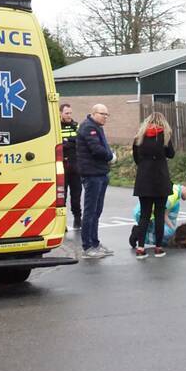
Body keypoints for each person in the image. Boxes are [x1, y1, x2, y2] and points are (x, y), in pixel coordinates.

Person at [130, 112, 176, 259]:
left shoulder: (139, 137)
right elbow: (171, 154)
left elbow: (136, 158)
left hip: (144, 180)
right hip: (160, 180)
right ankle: (158, 247)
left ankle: (141, 248)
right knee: (159, 215)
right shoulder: (165, 136)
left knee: (144, 215)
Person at [76, 104, 115, 259]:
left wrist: (109, 155)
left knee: (97, 211)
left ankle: (95, 243)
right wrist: (110, 156)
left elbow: (102, 147)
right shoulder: (88, 128)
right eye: (102, 114)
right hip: (92, 174)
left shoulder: (97, 127)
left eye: (107, 114)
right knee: (90, 211)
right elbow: (97, 149)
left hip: (100, 172)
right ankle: (87, 246)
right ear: (93, 113)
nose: (105, 116)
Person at [130, 182, 186, 248]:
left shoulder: (174, 190)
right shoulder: (173, 195)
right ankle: (139, 233)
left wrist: (173, 230)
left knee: (169, 233)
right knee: (165, 236)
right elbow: (159, 211)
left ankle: (140, 233)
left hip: (143, 212)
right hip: (144, 214)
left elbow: (164, 214)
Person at [59, 103, 82, 229]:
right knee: (62, 195)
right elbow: (57, 143)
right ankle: (62, 224)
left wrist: (67, 142)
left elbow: (80, 142)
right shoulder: (56, 127)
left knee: (76, 194)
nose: (69, 116)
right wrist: (69, 142)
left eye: (70, 113)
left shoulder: (76, 126)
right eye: (66, 113)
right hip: (62, 165)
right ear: (60, 113)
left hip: (75, 164)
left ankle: (78, 219)